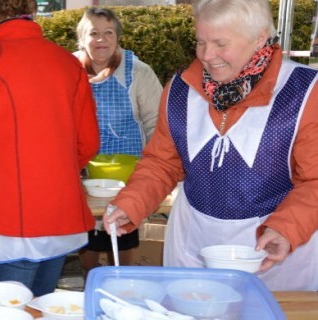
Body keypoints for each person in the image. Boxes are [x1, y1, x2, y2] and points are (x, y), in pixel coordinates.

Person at [104, 0, 318, 291]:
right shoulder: (180, 88)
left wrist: (285, 229)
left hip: (272, 251)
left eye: (220, 43)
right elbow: (162, 162)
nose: (206, 55)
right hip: (193, 241)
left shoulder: (304, 92)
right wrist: (131, 203)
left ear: (259, 38)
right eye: (201, 42)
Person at [0, 0, 100, 296]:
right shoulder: (67, 61)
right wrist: (52, 168)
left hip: (9, 218)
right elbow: (88, 142)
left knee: (2, 310)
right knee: (41, 307)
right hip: (60, 213)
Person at [72, 8, 162, 275]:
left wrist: (152, 170)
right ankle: (90, 279)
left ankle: (121, 282)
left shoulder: (139, 72)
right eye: (94, 33)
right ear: (81, 39)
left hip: (126, 174)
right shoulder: (69, 70)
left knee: (122, 234)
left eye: (108, 33)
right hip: (82, 171)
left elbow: (156, 122)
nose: (101, 40)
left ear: (118, 38)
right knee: (86, 233)